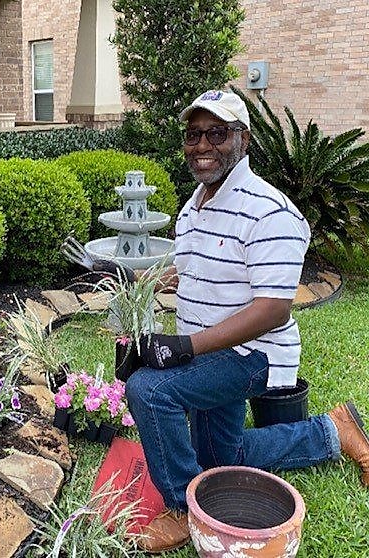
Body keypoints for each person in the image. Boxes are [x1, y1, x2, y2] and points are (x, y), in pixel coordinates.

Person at [122, 90, 369, 554]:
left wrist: (184, 349)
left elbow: (273, 309)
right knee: (220, 460)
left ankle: (180, 507)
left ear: (243, 139)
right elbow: (200, 267)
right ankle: (333, 432)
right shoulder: (194, 206)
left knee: (149, 389)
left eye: (217, 133)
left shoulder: (269, 212)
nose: (202, 145)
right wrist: (148, 282)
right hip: (208, 351)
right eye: (194, 134)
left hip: (249, 356)